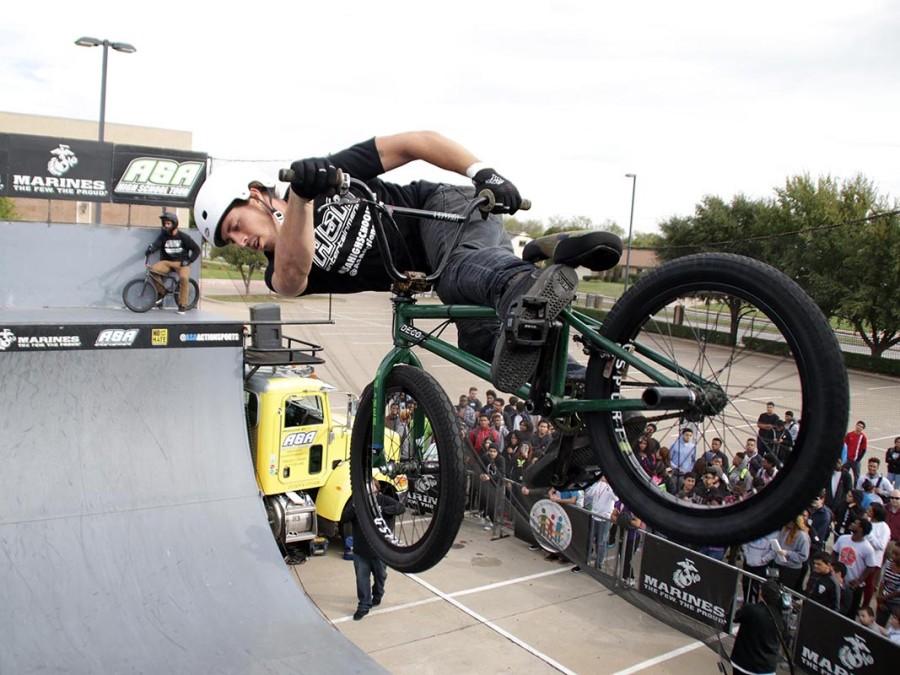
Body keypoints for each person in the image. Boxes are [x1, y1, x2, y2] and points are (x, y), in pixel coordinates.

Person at [194, 132, 593, 396]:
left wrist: (483, 173)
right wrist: (301, 196)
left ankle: (524, 287)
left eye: (235, 226)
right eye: (231, 241)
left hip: (445, 211)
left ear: (255, 195)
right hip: (457, 265)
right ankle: (580, 396)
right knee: (484, 342)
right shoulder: (278, 264)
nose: (240, 242)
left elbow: (413, 143)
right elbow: (292, 276)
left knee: (456, 276)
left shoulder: (334, 173)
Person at [347, 479, 405, 620]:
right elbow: (344, 517)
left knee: (381, 576)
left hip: (380, 551)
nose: (367, 488)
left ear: (376, 488)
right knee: (362, 580)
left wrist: (383, 511)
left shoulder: (383, 500)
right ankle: (364, 605)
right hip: (361, 550)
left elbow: (400, 507)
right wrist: (354, 506)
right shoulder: (357, 502)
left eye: (370, 485)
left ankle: (378, 594)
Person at [144, 211, 200, 313]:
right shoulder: (163, 236)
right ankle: (162, 292)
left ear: (174, 223)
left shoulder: (184, 237)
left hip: (182, 263)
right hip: (167, 262)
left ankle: (182, 305)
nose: (166, 226)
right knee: (152, 271)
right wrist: (150, 249)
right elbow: (156, 245)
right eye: (164, 223)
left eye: (168, 223)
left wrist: (189, 261)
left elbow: (197, 250)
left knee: (184, 278)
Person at [729, 580, 786, 675]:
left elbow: (737, 616)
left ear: (761, 593)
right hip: (766, 668)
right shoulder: (780, 618)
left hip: (744, 664)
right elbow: (785, 636)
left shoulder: (751, 609)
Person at [833, 517, 879, 615]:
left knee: (849, 613)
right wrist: (834, 569)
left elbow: (871, 567)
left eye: (855, 523)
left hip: (852, 587)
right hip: (838, 580)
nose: (852, 523)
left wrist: (859, 580)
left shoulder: (867, 548)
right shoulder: (843, 538)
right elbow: (835, 552)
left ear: (861, 529)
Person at [584, 473, 617, 567]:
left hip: (604, 518)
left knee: (601, 541)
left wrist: (609, 484)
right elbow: (589, 493)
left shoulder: (611, 487)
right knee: (590, 538)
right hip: (594, 515)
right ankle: (587, 558)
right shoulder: (598, 484)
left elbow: (616, 498)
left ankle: (599, 562)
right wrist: (597, 482)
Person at [773, 513, 811, 591]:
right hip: (778, 563)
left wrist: (787, 553)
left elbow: (803, 556)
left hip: (790, 569)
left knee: (784, 591)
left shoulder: (803, 536)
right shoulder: (784, 530)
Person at [876, 544, 900, 627]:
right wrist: (880, 597)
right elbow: (883, 581)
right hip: (884, 599)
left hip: (897, 603)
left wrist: (883, 598)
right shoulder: (888, 563)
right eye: (893, 553)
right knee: (879, 625)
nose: (893, 556)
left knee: (895, 628)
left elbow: (898, 592)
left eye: (897, 554)